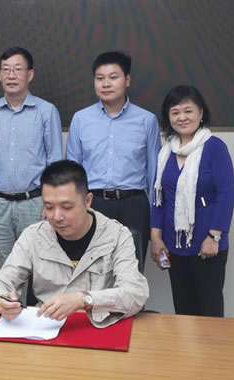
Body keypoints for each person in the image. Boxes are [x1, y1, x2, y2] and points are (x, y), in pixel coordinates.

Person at [0, 160, 149, 328]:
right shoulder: (33, 236)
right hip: (46, 328)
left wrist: (85, 300)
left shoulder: (117, 236)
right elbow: (2, 281)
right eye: (49, 207)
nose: (57, 217)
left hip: (99, 329)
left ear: (88, 201)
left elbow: (135, 294)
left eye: (67, 207)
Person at [0, 46, 63, 269]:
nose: (11, 75)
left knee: (39, 266)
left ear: (30, 74)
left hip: (35, 203)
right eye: (6, 69)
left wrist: (51, 204)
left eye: (18, 69)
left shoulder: (46, 111)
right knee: (5, 268)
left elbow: (56, 164)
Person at [67, 51, 160, 271]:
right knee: (92, 271)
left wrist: (157, 223)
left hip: (133, 204)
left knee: (131, 271)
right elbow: (72, 171)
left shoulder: (147, 120)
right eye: (100, 78)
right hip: (93, 204)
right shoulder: (81, 119)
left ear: (127, 80)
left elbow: (155, 175)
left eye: (113, 77)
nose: (106, 84)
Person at [150, 85, 234, 317]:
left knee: (209, 307)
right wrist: (156, 238)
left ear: (201, 113)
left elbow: (226, 195)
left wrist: (214, 236)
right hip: (174, 244)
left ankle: (211, 345)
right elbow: (159, 198)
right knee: (183, 307)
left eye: (188, 111)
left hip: (207, 242)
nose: (182, 117)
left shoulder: (214, 147)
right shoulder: (166, 152)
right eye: (175, 112)